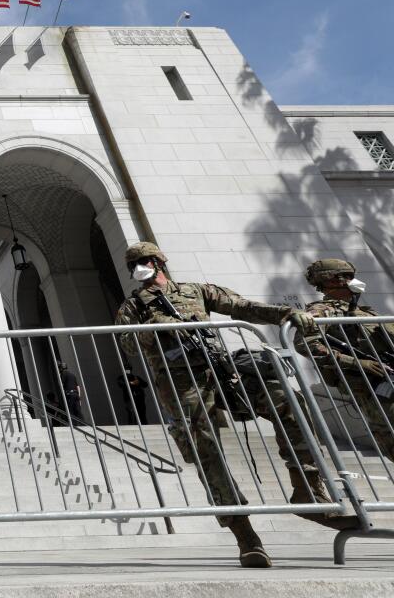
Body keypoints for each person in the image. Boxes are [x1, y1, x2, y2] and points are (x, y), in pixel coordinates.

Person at [115, 241, 347, 569]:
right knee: (205, 448)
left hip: (222, 369)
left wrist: (285, 314)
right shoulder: (134, 305)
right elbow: (125, 341)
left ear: (159, 261)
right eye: (136, 264)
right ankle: (245, 535)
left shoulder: (195, 291)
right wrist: (155, 330)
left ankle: (307, 488)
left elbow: (240, 307)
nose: (142, 267)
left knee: (289, 403)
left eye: (147, 260)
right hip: (181, 382)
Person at [299, 258, 394, 460]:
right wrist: (359, 363)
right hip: (372, 387)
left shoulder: (363, 311)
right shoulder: (321, 311)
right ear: (333, 281)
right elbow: (306, 344)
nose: (353, 280)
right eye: (348, 277)